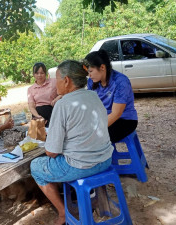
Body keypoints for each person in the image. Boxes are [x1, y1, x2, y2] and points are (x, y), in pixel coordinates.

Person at [30, 60, 114, 225]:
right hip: (105, 160)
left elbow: (51, 152)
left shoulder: (63, 104)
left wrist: (52, 142)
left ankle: (63, 213)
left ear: (67, 81)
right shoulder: (94, 96)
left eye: (57, 80)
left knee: (36, 166)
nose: (55, 85)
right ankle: (89, 201)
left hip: (81, 166)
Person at [84, 49, 138, 143]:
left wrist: (96, 129)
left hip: (124, 120)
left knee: (92, 140)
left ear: (102, 67)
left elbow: (116, 114)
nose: (89, 75)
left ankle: (104, 157)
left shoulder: (120, 82)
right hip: (103, 118)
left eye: (91, 71)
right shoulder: (91, 81)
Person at [27, 62, 62, 127]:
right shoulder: (30, 89)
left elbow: (65, 91)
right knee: (40, 136)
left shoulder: (54, 82)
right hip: (38, 114)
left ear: (45, 73)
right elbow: (31, 107)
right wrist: (38, 117)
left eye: (42, 73)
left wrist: (57, 98)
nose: (39, 75)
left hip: (53, 112)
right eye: (37, 73)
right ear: (33, 74)